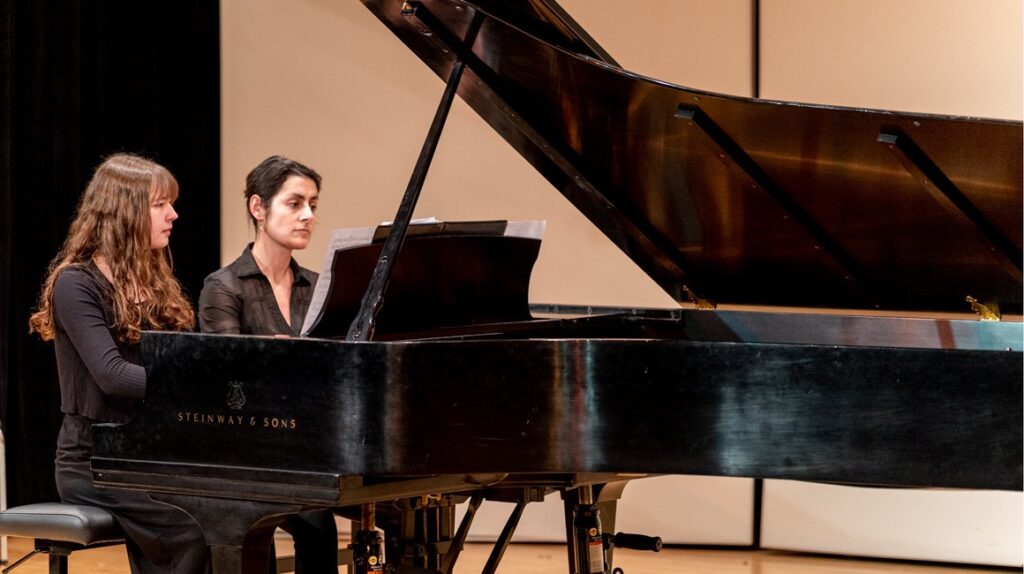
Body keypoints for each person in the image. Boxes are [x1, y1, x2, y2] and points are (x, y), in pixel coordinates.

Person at [28, 153, 211, 574]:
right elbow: (113, 376)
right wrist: (192, 388)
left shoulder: (154, 281)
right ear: (124, 212)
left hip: (150, 455)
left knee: (236, 518)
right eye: (160, 204)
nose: (173, 214)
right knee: (193, 528)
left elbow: (182, 360)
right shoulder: (76, 284)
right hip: (93, 464)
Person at [198, 155, 338, 573]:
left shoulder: (317, 286)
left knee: (319, 522)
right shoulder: (223, 287)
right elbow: (225, 378)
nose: (308, 216)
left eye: (313, 205)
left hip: (306, 446)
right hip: (244, 448)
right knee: (293, 519)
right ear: (258, 208)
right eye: (295, 204)